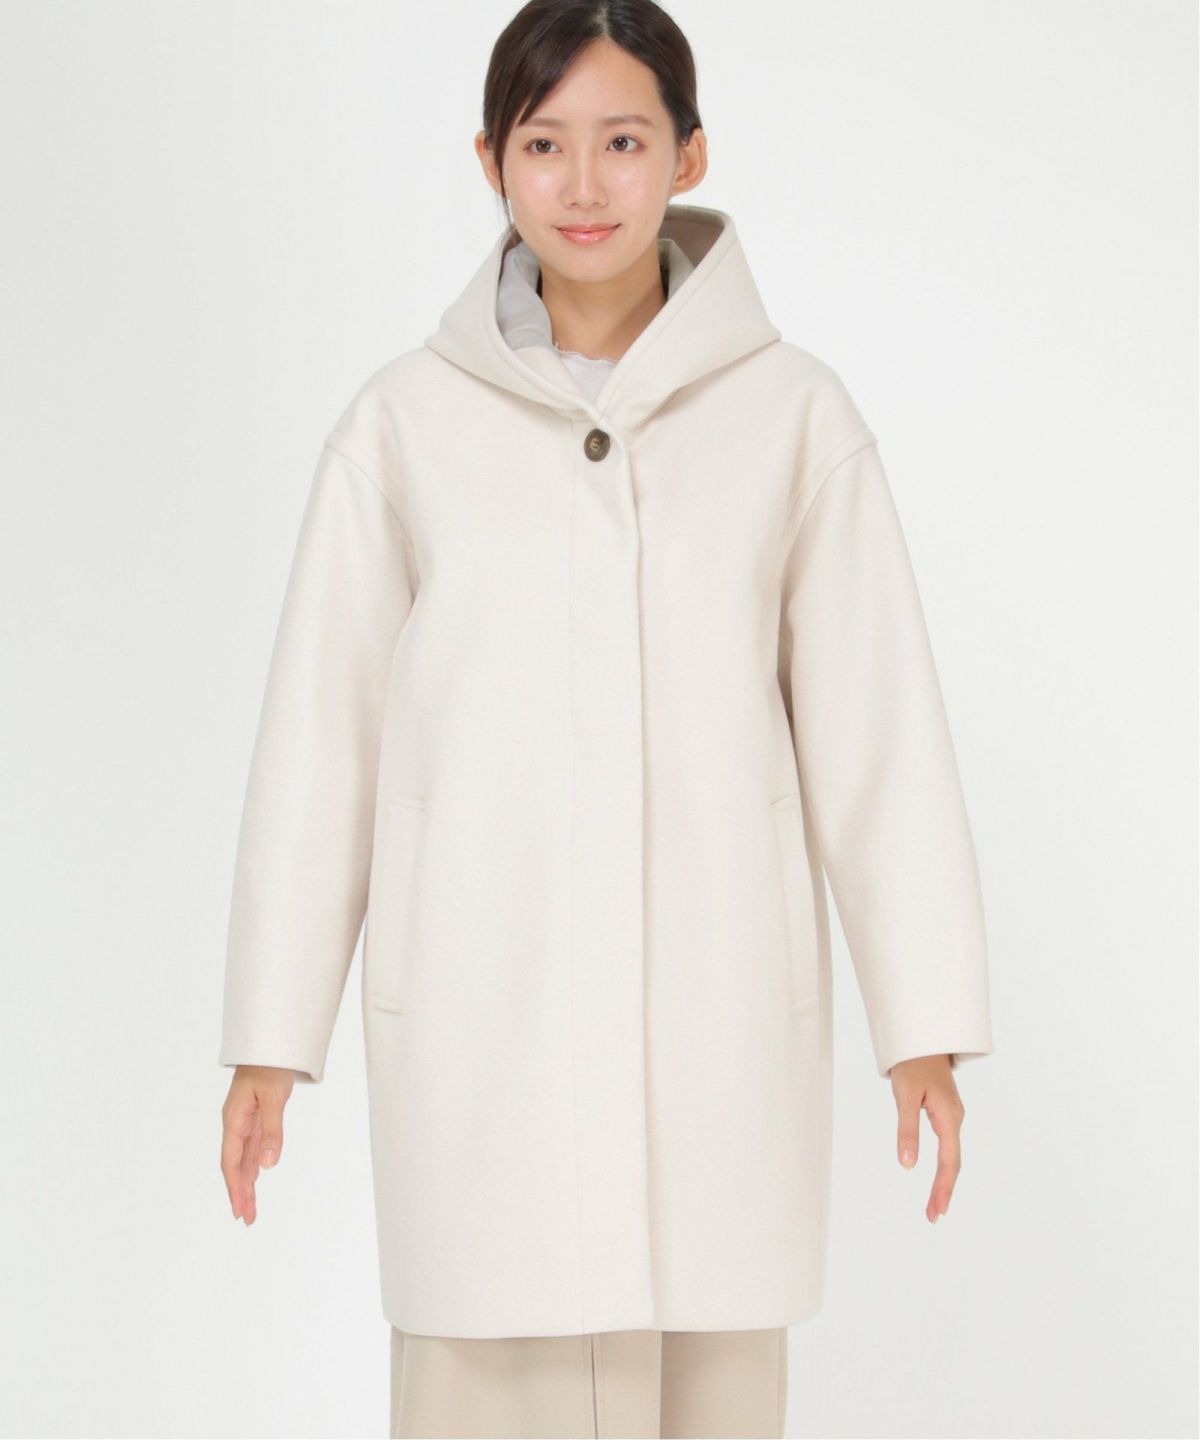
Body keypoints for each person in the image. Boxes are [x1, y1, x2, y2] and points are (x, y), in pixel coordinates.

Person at [217, 2, 994, 1436]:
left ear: (689, 156)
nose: (585, 184)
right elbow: (321, 745)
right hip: (484, 1025)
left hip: (717, 1031)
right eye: (545, 143)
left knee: (710, 1376)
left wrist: (924, 1026)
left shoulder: (792, 417)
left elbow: (877, 735)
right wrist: (274, 1032)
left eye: (625, 142)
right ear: (492, 162)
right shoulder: (402, 427)